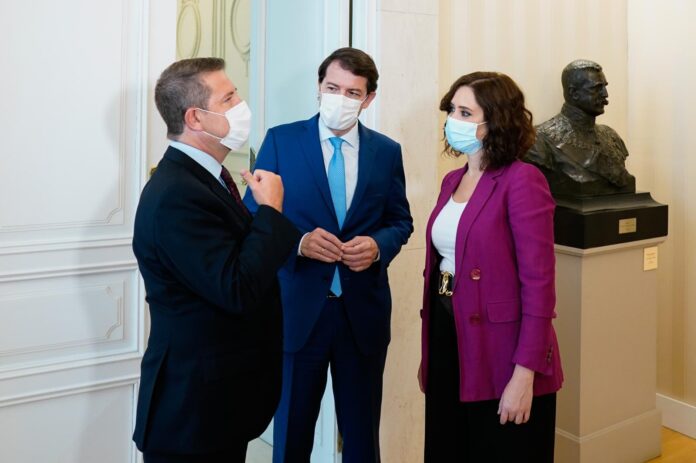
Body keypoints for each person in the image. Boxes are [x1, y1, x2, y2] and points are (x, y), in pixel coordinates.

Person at [243, 47, 413, 462]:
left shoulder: (386, 151)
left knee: (361, 439)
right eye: (333, 88)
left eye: (352, 92)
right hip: (298, 311)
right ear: (319, 88)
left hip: (362, 316)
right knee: (291, 436)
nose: (340, 98)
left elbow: (400, 220)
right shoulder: (281, 141)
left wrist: (378, 246)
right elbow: (253, 214)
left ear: (369, 99)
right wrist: (298, 243)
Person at [131, 57, 301, 463]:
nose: (241, 105)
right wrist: (271, 212)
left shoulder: (205, 177)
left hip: (218, 403)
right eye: (229, 98)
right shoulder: (176, 194)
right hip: (193, 412)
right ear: (195, 118)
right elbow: (236, 287)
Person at [419, 72, 564, 462]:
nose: (454, 120)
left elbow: (539, 285)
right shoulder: (452, 180)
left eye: (466, 113)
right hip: (448, 334)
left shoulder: (523, 180)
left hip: (501, 349)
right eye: (452, 110)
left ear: (495, 122)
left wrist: (525, 372)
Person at [525, 59, 635, 197]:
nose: (605, 94)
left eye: (604, 87)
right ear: (574, 93)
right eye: (596, 88)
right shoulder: (539, 139)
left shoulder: (611, 136)